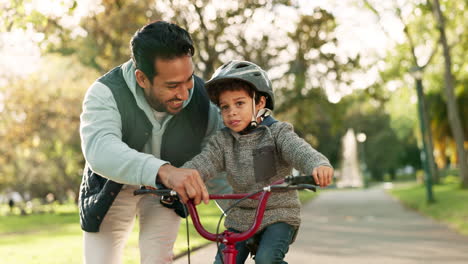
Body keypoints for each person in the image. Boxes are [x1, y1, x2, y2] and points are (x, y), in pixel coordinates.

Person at [78, 21, 230, 264]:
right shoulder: (105, 92)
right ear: (142, 78)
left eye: (188, 79)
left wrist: (243, 217)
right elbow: (99, 150)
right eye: (172, 85)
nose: (184, 93)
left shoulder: (203, 98)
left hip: (165, 192)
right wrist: (164, 171)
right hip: (112, 186)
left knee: (158, 258)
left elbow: (219, 158)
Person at [182, 60, 334, 264]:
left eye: (239, 103)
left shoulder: (277, 133)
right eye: (224, 107)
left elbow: (300, 151)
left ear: (260, 103)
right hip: (240, 217)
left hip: (278, 214)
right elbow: (203, 163)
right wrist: (176, 178)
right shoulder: (223, 141)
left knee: (266, 259)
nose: (231, 112)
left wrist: (318, 165)